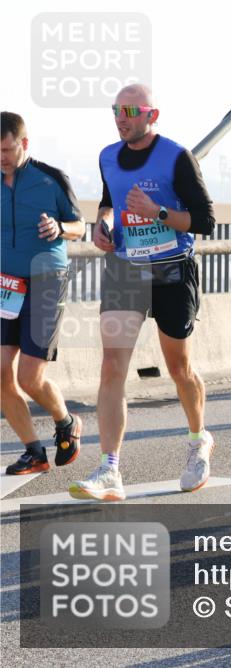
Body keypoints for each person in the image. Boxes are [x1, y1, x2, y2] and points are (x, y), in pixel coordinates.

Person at [69, 84, 217, 501]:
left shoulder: (176, 156)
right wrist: (104, 224)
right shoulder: (107, 157)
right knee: (111, 366)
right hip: (125, 269)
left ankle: (198, 439)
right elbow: (107, 201)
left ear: (152, 115)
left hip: (172, 268)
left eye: (130, 110)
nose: (120, 116)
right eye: (115, 109)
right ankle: (110, 469)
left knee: (179, 368)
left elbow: (206, 220)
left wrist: (159, 213)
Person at [1, 111, 85, 475]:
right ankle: (33, 452)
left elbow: (81, 226)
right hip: (6, 285)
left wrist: (60, 226)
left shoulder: (51, 179)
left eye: (6, 150)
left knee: (29, 378)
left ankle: (65, 421)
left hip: (46, 280)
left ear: (24, 144)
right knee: (1, 373)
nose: (1, 157)